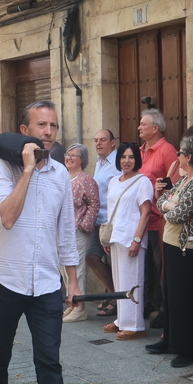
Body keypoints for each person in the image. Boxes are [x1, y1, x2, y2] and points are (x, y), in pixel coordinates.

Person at [0, 100, 96, 384]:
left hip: (46, 282)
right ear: (25, 130)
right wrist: (28, 170)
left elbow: (65, 231)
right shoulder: (3, 168)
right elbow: (6, 218)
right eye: (41, 125)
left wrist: (72, 279)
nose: (48, 132)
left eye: (53, 126)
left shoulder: (62, 174)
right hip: (7, 278)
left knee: (49, 361)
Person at [152, 135, 193, 367]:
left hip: (189, 247)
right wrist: (170, 205)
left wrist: (169, 207)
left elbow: (178, 215)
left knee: (185, 298)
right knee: (172, 296)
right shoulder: (186, 178)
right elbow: (162, 201)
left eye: (180, 153)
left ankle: (188, 349)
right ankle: (170, 339)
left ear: (188, 157)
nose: (177, 156)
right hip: (173, 243)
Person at [101, 142, 153, 340]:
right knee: (120, 281)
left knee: (132, 281)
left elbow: (145, 212)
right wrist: (108, 238)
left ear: (136, 159)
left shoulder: (142, 181)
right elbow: (112, 210)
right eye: (123, 157)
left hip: (131, 238)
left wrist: (137, 240)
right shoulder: (114, 181)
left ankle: (135, 325)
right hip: (116, 236)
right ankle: (122, 320)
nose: (127, 161)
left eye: (131, 157)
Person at [140, 109, 179, 328]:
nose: (139, 127)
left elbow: (175, 184)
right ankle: (148, 303)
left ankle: (165, 309)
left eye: (143, 124)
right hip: (141, 221)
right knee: (146, 267)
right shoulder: (140, 151)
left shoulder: (167, 151)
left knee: (161, 266)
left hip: (158, 220)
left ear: (155, 128)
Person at [62, 144, 100, 323]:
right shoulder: (65, 177)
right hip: (64, 230)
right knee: (65, 268)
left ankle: (80, 308)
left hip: (78, 231)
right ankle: (72, 302)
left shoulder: (86, 179)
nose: (69, 158)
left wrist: (83, 225)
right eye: (67, 154)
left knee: (76, 269)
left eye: (73, 155)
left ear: (82, 160)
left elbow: (94, 203)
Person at [87, 129, 118, 316]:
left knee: (114, 263)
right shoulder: (99, 162)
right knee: (91, 257)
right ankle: (113, 293)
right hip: (98, 220)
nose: (98, 143)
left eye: (103, 140)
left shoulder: (117, 163)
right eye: (96, 140)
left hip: (111, 221)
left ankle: (116, 299)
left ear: (112, 143)